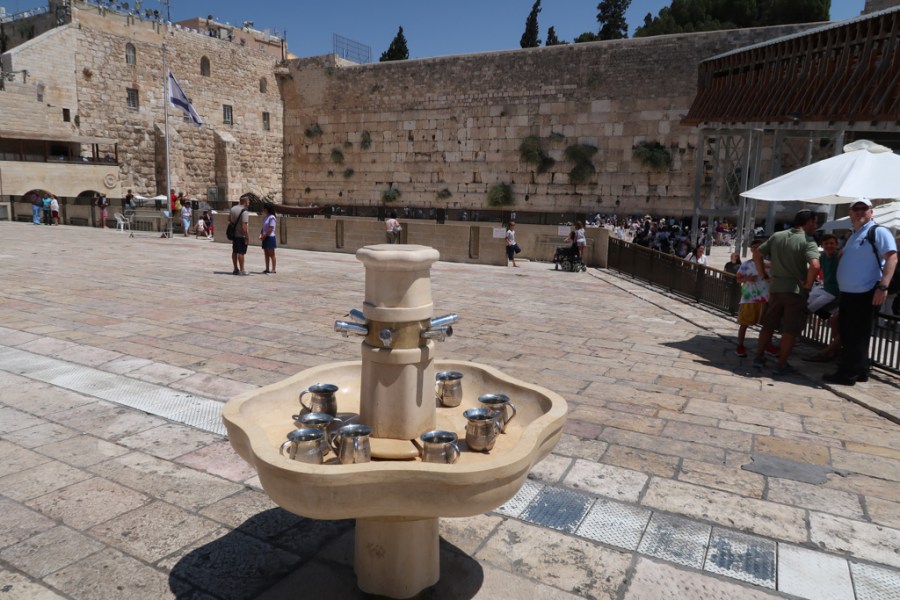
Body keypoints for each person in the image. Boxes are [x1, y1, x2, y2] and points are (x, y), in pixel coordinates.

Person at [824, 198, 897, 385]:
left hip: (865, 291)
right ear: (850, 212)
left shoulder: (878, 231)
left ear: (871, 211)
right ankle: (861, 370)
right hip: (850, 292)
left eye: (863, 208)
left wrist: (883, 286)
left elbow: (892, 258)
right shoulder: (853, 234)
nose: (859, 212)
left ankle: (847, 374)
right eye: (855, 208)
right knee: (851, 333)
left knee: (854, 335)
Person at [751, 209, 820, 376]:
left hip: (776, 288)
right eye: (815, 222)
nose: (816, 226)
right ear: (809, 221)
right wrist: (808, 284)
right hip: (795, 291)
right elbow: (815, 265)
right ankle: (781, 364)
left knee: (768, 325)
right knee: (790, 330)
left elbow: (757, 254)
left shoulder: (777, 236)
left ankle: (758, 357)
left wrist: (763, 275)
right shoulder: (808, 240)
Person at [805, 234, 842, 362]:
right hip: (825, 288)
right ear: (822, 245)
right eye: (826, 244)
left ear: (836, 244)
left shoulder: (839, 256)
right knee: (808, 304)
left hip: (836, 291)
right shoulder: (822, 257)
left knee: (810, 308)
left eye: (832, 243)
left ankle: (834, 349)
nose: (829, 246)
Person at [734, 239, 768, 358]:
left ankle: (767, 345)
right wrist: (747, 279)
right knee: (744, 323)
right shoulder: (746, 264)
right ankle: (740, 346)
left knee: (767, 325)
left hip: (765, 298)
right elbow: (738, 279)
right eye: (754, 247)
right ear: (751, 249)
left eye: (759, 247)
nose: (757, 249)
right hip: (749, 298)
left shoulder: (769, 264)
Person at [229, 196, 250, 275]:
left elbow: (229, 219)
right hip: (241, 235)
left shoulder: (233, 209)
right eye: (248, 202)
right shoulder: (244, 211)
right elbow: (244, 227)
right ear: (245, 202)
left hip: (234, 234)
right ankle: (242, 270)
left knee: (235, 251)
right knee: (241, 252)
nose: (249, 203)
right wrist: (247, 237)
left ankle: (235, 269)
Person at [259, 203, 277, 274]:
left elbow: (271, 229)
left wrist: (264, 235)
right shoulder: (265, 217)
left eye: (264, 208)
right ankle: (267, 268)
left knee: (272, 254)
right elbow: (263, 227)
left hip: (270, 237)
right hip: (265, 236)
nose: (263, 210)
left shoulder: (272, 217)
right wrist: (261, 234)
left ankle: (273, 269)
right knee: (266, 254)